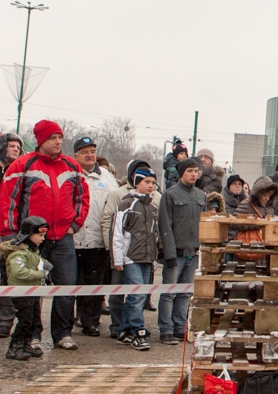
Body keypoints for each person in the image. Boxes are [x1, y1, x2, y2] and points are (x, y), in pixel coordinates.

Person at [0, 120, 90, 351]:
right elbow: (9, 201)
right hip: (31, 241)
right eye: (52, 138)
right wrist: (11, 235)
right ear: (41, 141)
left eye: (60, 137)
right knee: (32, 289)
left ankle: (62, 334)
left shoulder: (72, 166)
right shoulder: (22, 165)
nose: (58, 141)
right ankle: (33, 335)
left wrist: (75, 225)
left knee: (66, 287)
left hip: (63, 237)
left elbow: (82, 197)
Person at [102, 160, 162, 336]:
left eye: (153, 183)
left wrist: (154, 259)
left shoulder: (152, 207)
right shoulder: (126, 204)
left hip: (146, 258)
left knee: (140, 296)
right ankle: (136, 329)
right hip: (131, 259)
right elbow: (117, 233)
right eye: (147, 182)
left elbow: (154, 235)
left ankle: (125, 329)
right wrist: (117, 258)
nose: (151, 186)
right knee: (135, 295)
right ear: (136, 182)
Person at [72, 136, 118, 338]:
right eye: (84, 152)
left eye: (92, 151)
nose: (89, 155)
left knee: (94, 284)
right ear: (76, 156)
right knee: (72, 283)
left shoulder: (107, 177)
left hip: (97, 240)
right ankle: (71, 319)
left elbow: (115, 206)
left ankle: (91, 322)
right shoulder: (69, 173)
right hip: (73, 238)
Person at [157, 157, 206, 344]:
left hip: (193, 253)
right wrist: (169, 254)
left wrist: (201, 249)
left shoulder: (201, 196)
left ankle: (179, 327)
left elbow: (204, 225)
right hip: (175, 254)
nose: (194, 174)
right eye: (190, 171)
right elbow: (165, 227)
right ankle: (166, 329)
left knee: (185, 293)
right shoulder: (170, 195)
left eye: (196, 171)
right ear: (182, 173)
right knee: (169, 292)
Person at [1, 216, 52, 360]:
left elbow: (36, 262)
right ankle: (14, 347)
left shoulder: (32, 251)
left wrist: (45, 264)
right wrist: (40, 274)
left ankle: (26, 344)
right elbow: (19, 272)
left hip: (32, 292)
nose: (43, 238)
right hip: (21, 293)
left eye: (44, 235)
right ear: (29, 235)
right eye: (40, 235)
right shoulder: (18, 253)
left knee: (34, 320)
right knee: (25, 321)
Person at [0, 132, 24, 338]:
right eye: (10, 145)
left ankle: (5, 322)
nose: (15, 149)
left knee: (9, 278)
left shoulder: (20, 172)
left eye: (18, 146)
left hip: (12, 232)